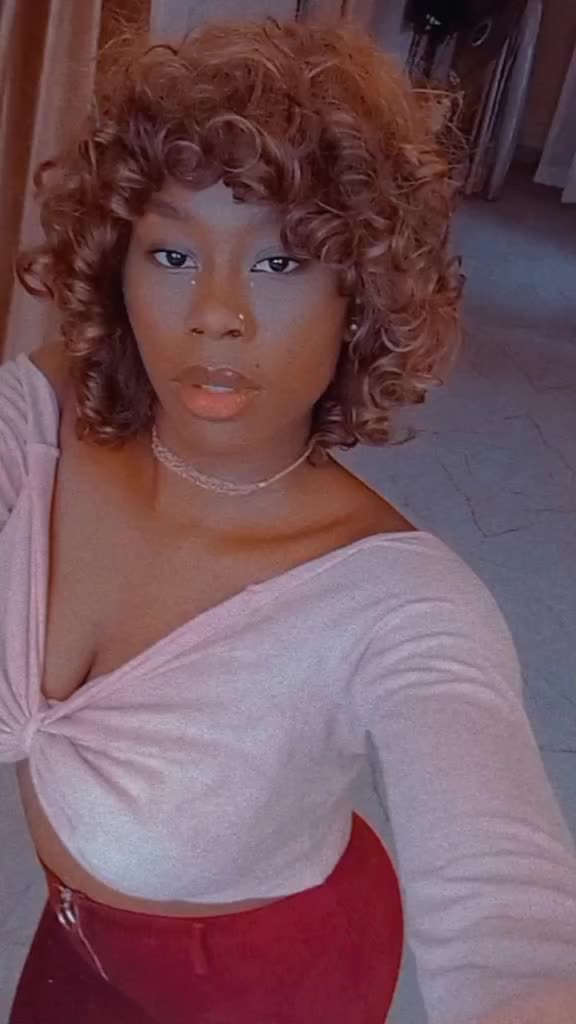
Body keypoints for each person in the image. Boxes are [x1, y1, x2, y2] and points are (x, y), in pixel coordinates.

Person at [1, 16, 575, 1024]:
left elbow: (506, 915)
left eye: (279, 263)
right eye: (171, 252)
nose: (215, 312)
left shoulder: (406, 607)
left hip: (275, 984)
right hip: (74, 943)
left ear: (361, 292)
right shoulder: (46, 413)